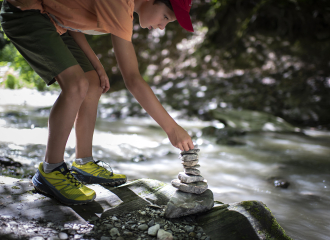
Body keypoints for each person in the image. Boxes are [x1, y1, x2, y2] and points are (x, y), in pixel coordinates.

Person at [0, 0, 195, 205]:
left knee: (92, 82)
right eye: (165, 17)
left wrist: (96, 64)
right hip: (24, 12)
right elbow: (132, 79)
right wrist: (172, 128)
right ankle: (50, 170)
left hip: (56, 22)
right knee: (76, 84)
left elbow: (72, 19)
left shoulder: (124, 10)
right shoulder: (120, 4)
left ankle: (83, 162)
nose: (163, 27)